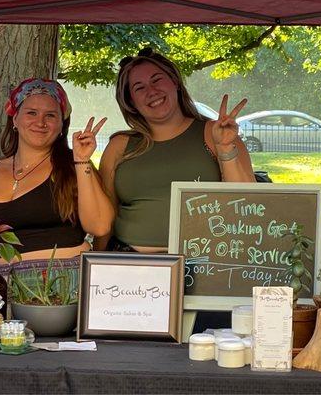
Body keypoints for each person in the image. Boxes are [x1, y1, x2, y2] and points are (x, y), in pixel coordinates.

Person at [0, 78, 114, 280]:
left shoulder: (74, 167)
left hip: (61, 284)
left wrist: (82, 161)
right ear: (15, 119)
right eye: (31, 113)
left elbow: (100, 226)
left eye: (51, 115)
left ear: (61, 125)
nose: (40, 122)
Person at [97, 48, 255, 253]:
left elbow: (247, 205)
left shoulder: (216, 134)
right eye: (139, 87)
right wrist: (95, 265)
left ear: (175, 82)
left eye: (157, 80)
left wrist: (225, 148)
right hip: (129, 268)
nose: (151, 91)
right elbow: (103, 219)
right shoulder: (119, 145)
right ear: (131, 102)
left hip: (204, 264)